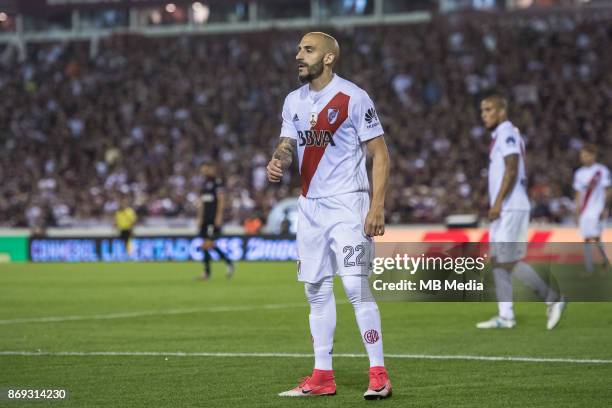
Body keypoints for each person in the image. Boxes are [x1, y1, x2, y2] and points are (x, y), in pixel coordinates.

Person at [267, 32, 392, 399]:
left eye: (308, 50)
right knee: (316, 290)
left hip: (348, 204)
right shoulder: (293, 101)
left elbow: (380, 154)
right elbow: (288, 143)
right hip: (310, 206)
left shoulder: (353, 97)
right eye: (298, 50)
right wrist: (279, 160)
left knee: (354, 285)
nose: (298, 56)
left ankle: (379, 374)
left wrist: (377, 205)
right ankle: (322, 377)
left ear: (329, 58)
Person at [476, 95, 566, 330]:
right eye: (482, 110)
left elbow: (512, 169)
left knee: (506, 260)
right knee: (498, 261)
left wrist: (496, 203)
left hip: (511, 206)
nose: (484, 114)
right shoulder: (500, 135)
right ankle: (506, 317)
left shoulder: (507, 133)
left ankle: (552, 298)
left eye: (488, 109)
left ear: (502, 110)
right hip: (505, 207)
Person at [573, 144, 611, 274]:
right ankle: (590, 268)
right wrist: (577, 211)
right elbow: (578, 193)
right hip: (584, 210)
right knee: (586, 238)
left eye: (586, 155)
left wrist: (605, 208)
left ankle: (605, 263)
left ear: (593, 155)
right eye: (582, 155)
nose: (583, 158)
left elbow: (608, 190)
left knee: (595, 236)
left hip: (597, 208)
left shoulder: (601, 171)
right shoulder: (579, 173)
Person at [196, 163, 234, 280]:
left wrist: (218, 217)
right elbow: (201, 203)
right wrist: (200, 217)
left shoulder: (217, 183)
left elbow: (221, 200)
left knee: (207, 244)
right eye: (203, 170)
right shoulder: (203, 184)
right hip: (205, 219)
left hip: (213, 218)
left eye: (206, 169)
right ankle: (227, 263)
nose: (204, 171)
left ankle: (208, 272)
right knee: (207, 244)